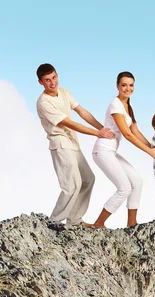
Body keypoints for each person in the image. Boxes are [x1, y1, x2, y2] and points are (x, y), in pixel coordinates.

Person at [36, 63, 115, 227]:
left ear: (57, 75)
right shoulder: (43, 103)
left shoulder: (64, 91)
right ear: (40, 82)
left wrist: (101, 127)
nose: (52, 83)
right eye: (47, 80)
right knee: (71, 185)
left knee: (88, 179)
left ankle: (74, 220)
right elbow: (68, 123)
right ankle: (55, 222)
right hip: (60, 143)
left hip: (72, 142)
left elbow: (82, 111)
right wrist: (97, 134)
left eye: (54, 77)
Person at [91, 71, 155, 228]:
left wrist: (151, 147)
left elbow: (135, 131)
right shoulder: (116, 105)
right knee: (124, 188)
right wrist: (149, 152)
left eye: (131, 85)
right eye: (124, 85)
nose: (128, 88)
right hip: (102, 150)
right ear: (117, 86)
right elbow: (127, 134)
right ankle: (99, 224)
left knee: (137, 182)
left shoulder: (128, 106)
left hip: (111, 152)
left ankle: (131, 224)